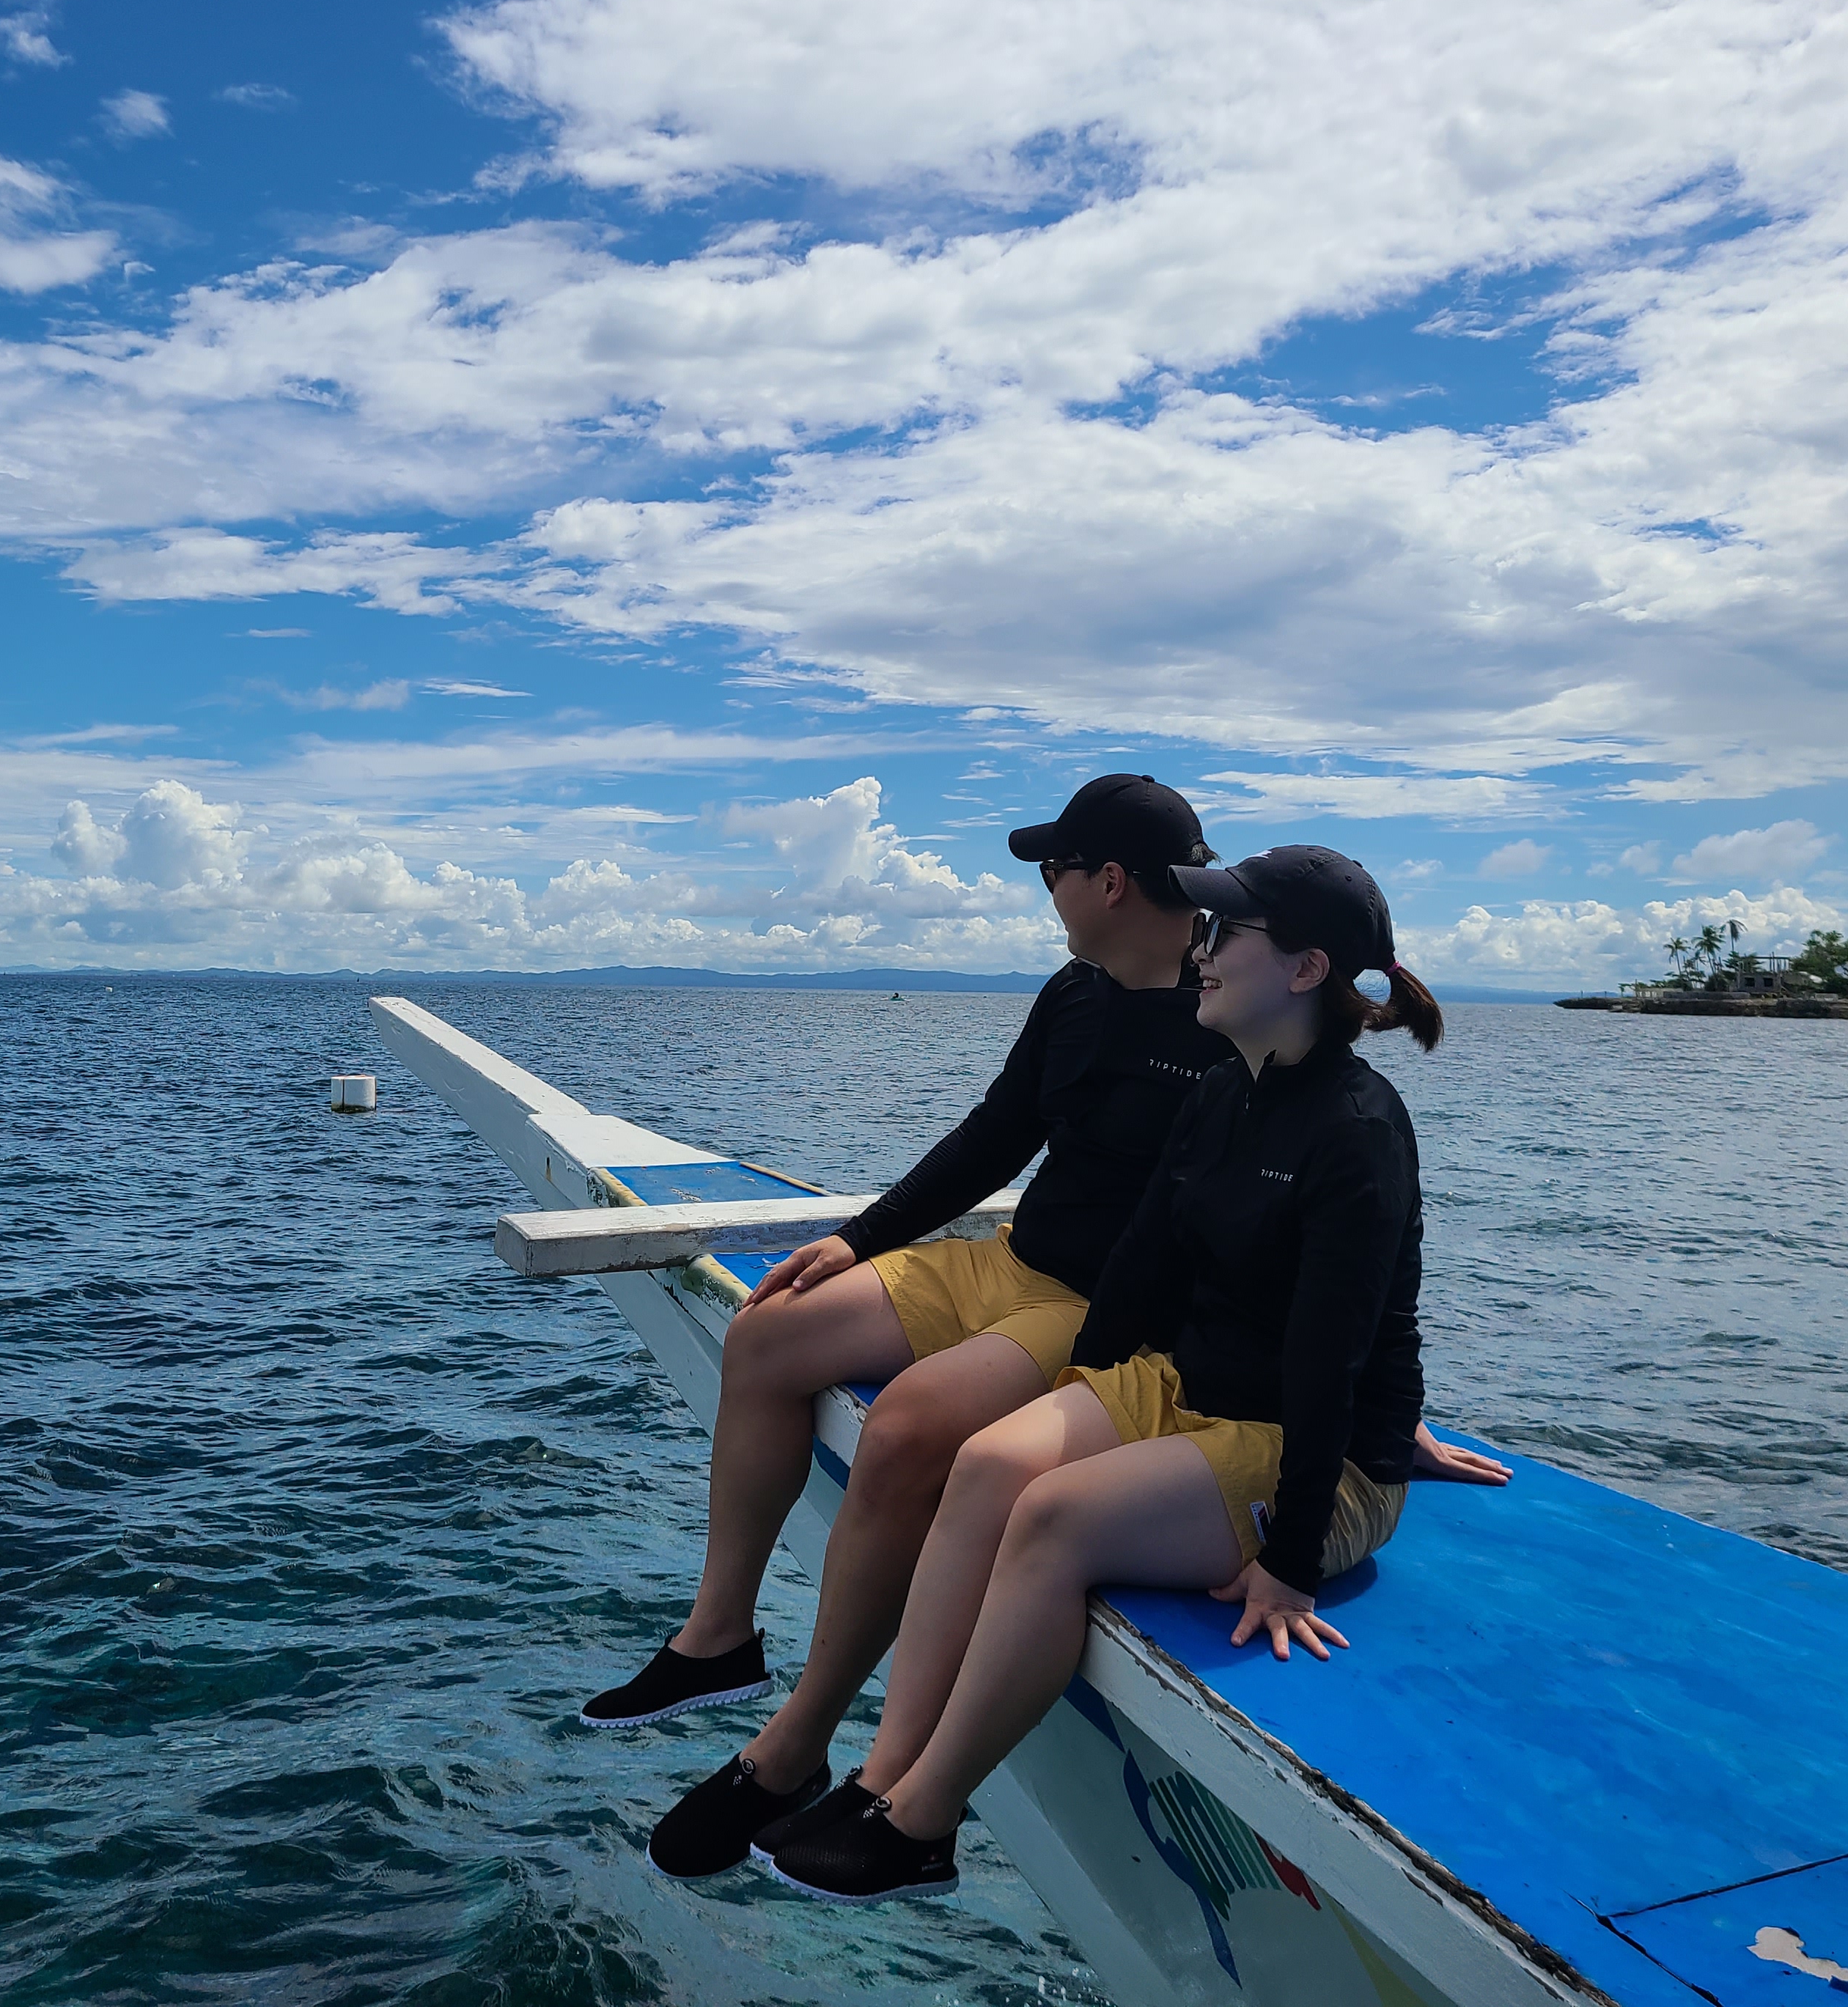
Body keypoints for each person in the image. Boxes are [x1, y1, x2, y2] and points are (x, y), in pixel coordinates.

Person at [763, 845, 1465, 1904]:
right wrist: (1074, 1402)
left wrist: (1293, 1559)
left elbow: (1337, 1358)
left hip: (1323, 1459)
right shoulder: (1223, 1096)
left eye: (1226, 934)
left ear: (1308, 970)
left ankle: (923, 1823)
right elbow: (1139, 1271)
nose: (1204, 950)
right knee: (994, 1461)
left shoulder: (1358, 1133)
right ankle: (879, 1776)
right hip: (1193, 1391)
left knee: (1053, 1520)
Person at [587, 775, 1232, 1879]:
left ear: (1109, 882)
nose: (1048, 894)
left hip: (1101, 1313)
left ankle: (800, 1742)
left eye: (1053, 871)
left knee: (907, 1430)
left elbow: (1300, 1203)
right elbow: (997, 1134)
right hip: (1008, 1261)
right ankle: (719, 1639)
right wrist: (862, 1237)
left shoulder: (1233, 1011)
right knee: (768, 1333)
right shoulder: (1074, 991)